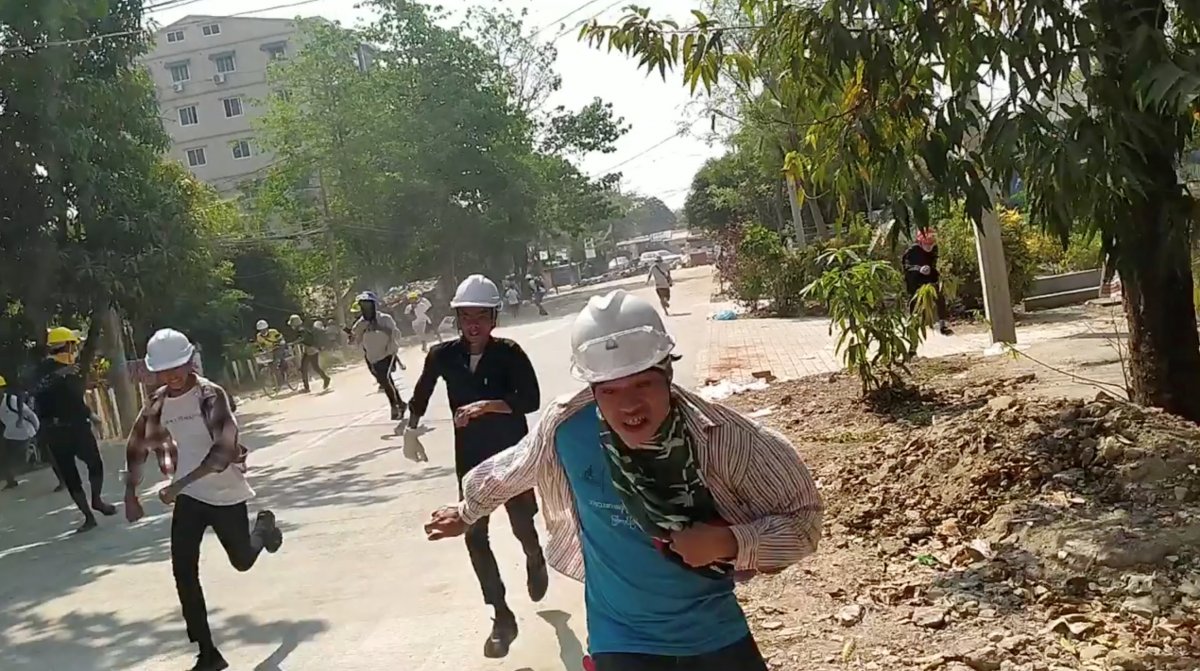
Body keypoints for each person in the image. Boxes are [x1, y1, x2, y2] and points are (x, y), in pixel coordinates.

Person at [424, 290, 822, 671]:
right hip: (620, 640)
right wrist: (467, 512)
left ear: (667, 372)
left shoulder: (725, 438)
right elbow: (510, 469)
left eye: (642, 384)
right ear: (592, 390)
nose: (629, 405)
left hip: (714, 633)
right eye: (610, 391)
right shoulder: (566, 430)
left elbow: (803, 522)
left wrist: (729, 542)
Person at [403, 274, 547, 659]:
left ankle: (535, 557)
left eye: (480, 315)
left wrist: (487, 405)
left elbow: (530, 400)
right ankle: (501, 615)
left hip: (512, 456)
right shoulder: (443, 356)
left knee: (521, 526)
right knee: (474, 535)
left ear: (494, 317)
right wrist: (410, 428)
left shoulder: (510, 353)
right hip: (470, 460)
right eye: (465, 316)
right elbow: (421, 392)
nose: (473, 324)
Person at [124, 329, 282, 671]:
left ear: (189, 361)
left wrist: (178, 485)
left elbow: (223, 451)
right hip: (191, 497)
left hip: (225, 491)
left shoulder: (211, 395)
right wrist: (130, 493)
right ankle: (208, 653)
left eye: (177, 366)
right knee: (183, 571)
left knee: (241, 560)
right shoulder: (158, 402)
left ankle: (264, 527)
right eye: (164, 371)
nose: (172, 375)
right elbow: (137, 445)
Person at [32, 327, 117, 532]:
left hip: (77, 426)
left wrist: (90, 414)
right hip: (57, 429)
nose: (76, 349)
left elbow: (73, 400)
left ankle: (96, 500)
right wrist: (59, 375)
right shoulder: (44, 371)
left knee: (94, 463)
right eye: (74, 345)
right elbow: (37, 391)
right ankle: (88, 516)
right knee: (71, 475)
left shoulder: (72, 369)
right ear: (67, 345)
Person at [351, 291, 407, 420]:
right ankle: (400, 403)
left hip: (387, 354)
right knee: (384, 381)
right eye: (363, 305)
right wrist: (354, 336)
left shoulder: (385, 319)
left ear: (374, 305)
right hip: (371, 356)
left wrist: (382, 329)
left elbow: (396, 334)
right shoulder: (361, 323)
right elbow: (355, 338)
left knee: (385, 379)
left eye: (368, 305)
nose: (366, 308)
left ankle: (394, 406)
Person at [902, 228, 953, 336]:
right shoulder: (912, 251)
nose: (929, 245)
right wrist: (919, 269)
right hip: (915, 283)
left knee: (940, 297)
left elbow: (933, 264)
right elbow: (907, 267)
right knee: (914, 306)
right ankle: (913, 333)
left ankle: (943, 325)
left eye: (931, 242)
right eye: (927, 242)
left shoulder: (934, 249)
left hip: (929, 280)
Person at [0, 374, 39, 490]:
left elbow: (30, 415)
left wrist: (36, 429)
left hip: (25, 431)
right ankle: (10, 480)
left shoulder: (11, 400)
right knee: (6, 456)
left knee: (20, 457)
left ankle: (31, 450)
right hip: (10, 433)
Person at [288, 314, 330, 393]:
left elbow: (302, 338)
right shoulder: (302, 329)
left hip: (311, 349)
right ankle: (325, 378)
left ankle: (307, 387)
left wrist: (294, 342)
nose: (291, 326)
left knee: (305, 368)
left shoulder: (301, 330)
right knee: (313, 367)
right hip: (311, 349)